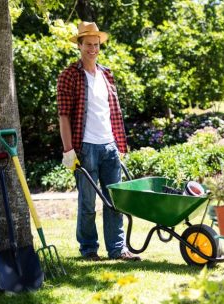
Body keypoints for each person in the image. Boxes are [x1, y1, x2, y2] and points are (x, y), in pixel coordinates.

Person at [57, 21, 140, 262]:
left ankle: (117, 249)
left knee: (116, 201)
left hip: (109, 146)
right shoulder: (69, 76)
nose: (92, 48)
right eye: (88, 44)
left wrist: (119, 145)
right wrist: (68, 150)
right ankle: (89, 249)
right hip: (85, 147)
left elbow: (113, 114)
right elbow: (63, 115)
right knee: (88, 203)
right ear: (79, 46)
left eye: (96, 44)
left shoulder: (107, 75)